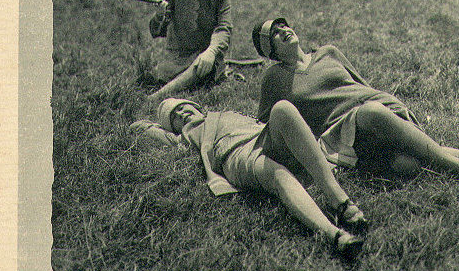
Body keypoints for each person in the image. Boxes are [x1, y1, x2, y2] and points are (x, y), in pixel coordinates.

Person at [252, 17, 459, 187]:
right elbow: (267, 126)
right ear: (270, 51)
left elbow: (362, 86)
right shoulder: (275, 79)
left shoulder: (328, 52)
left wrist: (385, 110)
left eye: (283, 25)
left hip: (379, 112)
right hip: (344, 134)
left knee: (399, 154)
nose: (283, 30)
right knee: (404, 160)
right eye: (274, 33)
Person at [130, 98, 370, 262]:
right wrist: (159, 124)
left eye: (183, 107)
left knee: (283, 107)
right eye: (174, 117)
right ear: (172, 128)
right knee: (276, 174)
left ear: (196, 106)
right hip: (235, 153)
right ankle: (334, 235)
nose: (182, 113)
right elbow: (139, 127)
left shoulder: (223, 113)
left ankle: (340, 202)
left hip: (262, 136)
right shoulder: (185, 136)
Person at [147, 0, 233, 105]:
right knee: (164, 71)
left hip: (205, 56)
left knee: (204, 67)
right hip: (177, 57)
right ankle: (180, 83)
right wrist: (159, 15)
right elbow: (157, 31)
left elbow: (224, 29)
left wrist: (211, 52)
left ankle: (158, 95)